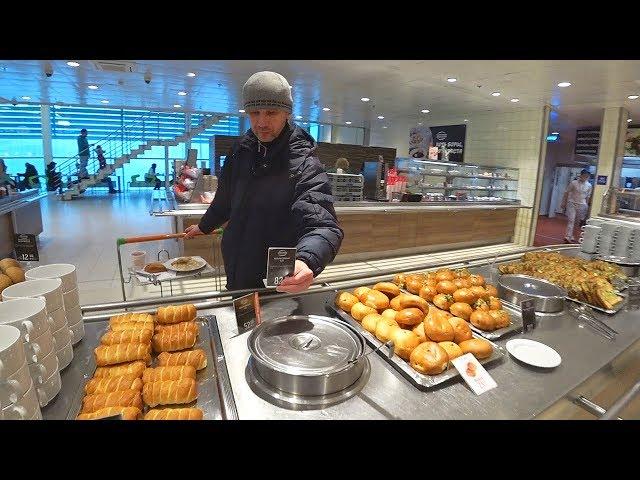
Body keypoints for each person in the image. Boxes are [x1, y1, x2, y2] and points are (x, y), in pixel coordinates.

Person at [183, 71, 344, 293]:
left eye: (271, 112)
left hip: (277, 278)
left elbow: (323, 225)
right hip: (236, 267)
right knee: (243, 320)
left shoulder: (304, 162)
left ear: (286, 113)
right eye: (254, 113)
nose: (261, 122)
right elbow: (224, 201)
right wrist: (204, 226)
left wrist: (307, 260)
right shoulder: (240, 150)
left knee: (274, 324)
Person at [561, 169, 592, 243]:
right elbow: (566, 192)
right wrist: (563, 202)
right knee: (571, 220)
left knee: (577, 222)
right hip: (572, 203)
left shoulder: (589, 185)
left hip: (582, 205)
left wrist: (587, 207)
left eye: (587, 176)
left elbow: (588, 196)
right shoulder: (573, 183)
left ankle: (573, 236)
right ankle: (568, 236)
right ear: (581, 175)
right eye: (584, 176)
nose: (585, 177)